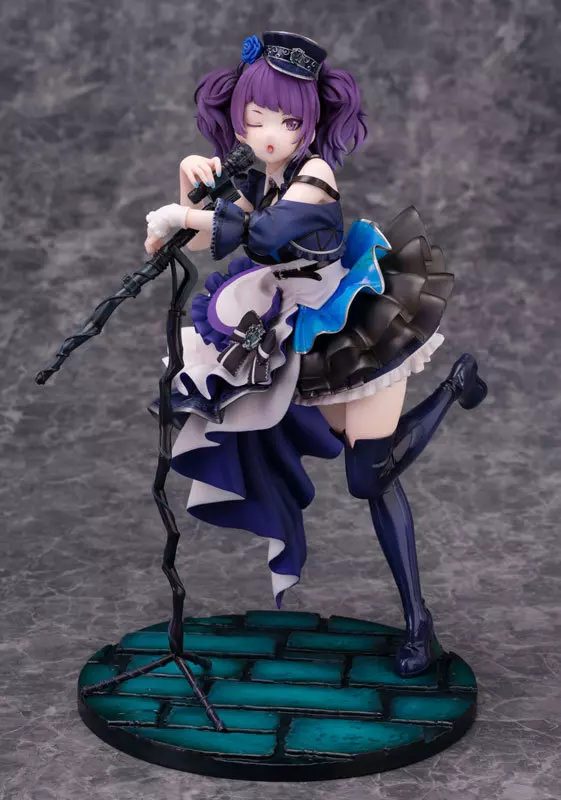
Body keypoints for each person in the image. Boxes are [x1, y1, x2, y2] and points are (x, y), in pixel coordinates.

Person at [143, 31, 487, 678]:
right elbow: (197, 244)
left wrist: (180, 215)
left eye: (289, 121)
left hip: (352, 322)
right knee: (346, 457)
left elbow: (264, 234)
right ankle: (450, 390)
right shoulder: (259, 176)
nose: (271, 134)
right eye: (256, 118)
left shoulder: (315, 175)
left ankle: (419, 621)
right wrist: (189, 189)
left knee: (370, 479)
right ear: (237, 116)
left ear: (311, 124)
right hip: (296, 329)